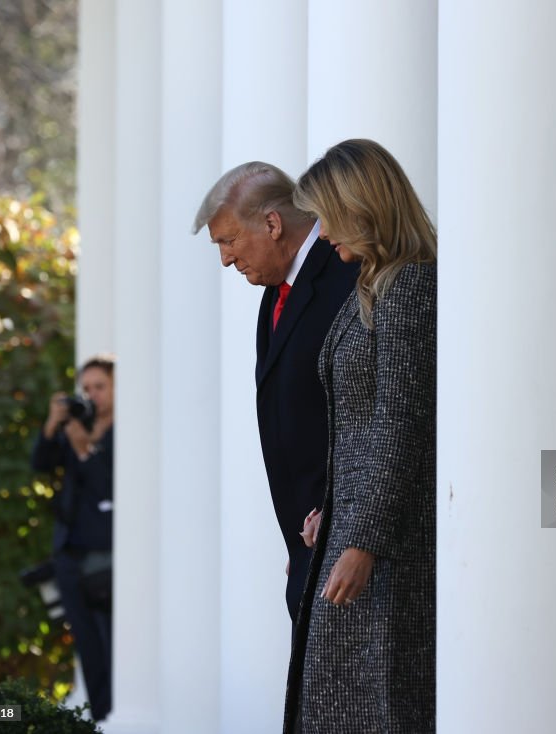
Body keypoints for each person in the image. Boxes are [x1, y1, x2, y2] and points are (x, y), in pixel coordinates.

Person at [283, 139, 437, 734]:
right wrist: (335, 508)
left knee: (373, 708)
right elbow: (360, 425)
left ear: (362, 207)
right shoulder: (376, 285)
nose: (322, 236)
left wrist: (363, 539)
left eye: (329, 217)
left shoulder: (409, 288)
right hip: (356, 531)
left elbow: (400, 422)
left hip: (385, 550)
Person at [192, 162, 357, 623]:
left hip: (348, 546)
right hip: (308, 545)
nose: (225, 258)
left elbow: (374, 412)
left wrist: (343, 516)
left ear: (272, 223)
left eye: (228, 240)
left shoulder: (348, 273)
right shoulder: (276, 290)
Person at [31, 355, 115, 722]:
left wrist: (85, 449)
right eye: (86, 388)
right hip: (70, 553)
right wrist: (53, 425)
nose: (91, 395)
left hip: (108, 555)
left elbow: (109, 486)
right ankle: (98, 720)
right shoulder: (77, 424)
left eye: (100, 387)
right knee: (86, 646)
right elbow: (41, 464)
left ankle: (117, 717)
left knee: (112, 646)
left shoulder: (125, 430)